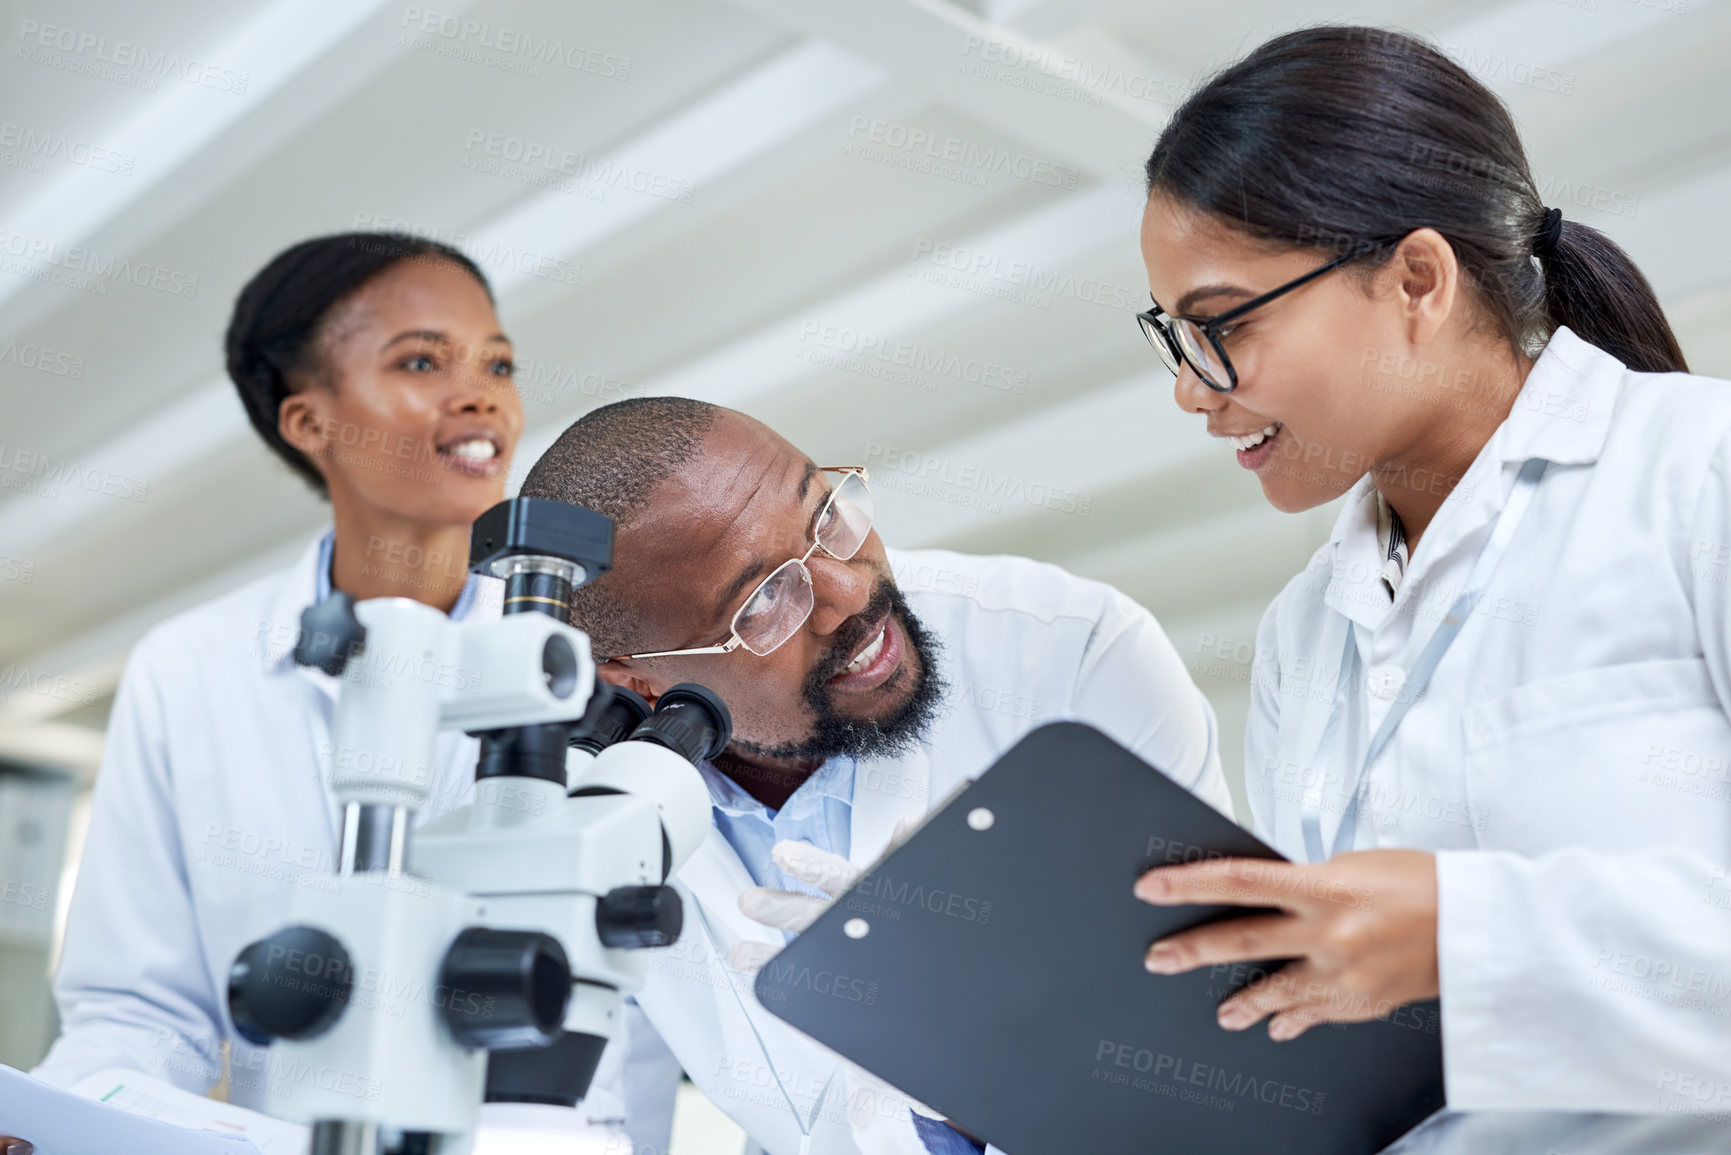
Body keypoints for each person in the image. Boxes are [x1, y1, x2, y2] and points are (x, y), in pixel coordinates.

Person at [1127, 26, 1731, 1153]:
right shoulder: (1302, 634)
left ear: (1417, 278)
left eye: (1222, 325)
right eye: (1175, 335)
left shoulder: (1700, 473)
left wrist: (1471, 937)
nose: (1189, 391)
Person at [518, 397, 1230, 1155]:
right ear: (629, 675)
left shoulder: (1069, 654)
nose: (850, 593)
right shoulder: (568, 811)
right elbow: (579, 1112)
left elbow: (1216, 1069)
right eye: (762, 601)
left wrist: (993, 1040)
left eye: (827, 516)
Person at [30, 233, 536, 1115]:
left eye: (498, 365)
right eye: (422, 360)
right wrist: (63, 1119)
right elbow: (136, 1011)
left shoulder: (597, 658)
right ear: (308, 421)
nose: (480, 397)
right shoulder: (190, 669)